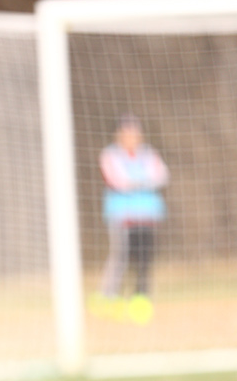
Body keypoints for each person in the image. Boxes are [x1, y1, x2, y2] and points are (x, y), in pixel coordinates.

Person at [91, 114, 169, 325]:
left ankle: (140, 300)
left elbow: (161, 175)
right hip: (122, 216)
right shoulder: (110, 155)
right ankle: (109, 298)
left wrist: (136, 183)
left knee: (145, 259)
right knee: (121, 257)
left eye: (135, 133)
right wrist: (142, 182)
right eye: (127, 133)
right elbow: (118, 181)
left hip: (148, 215)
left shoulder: (148, 154)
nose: (132, 137)